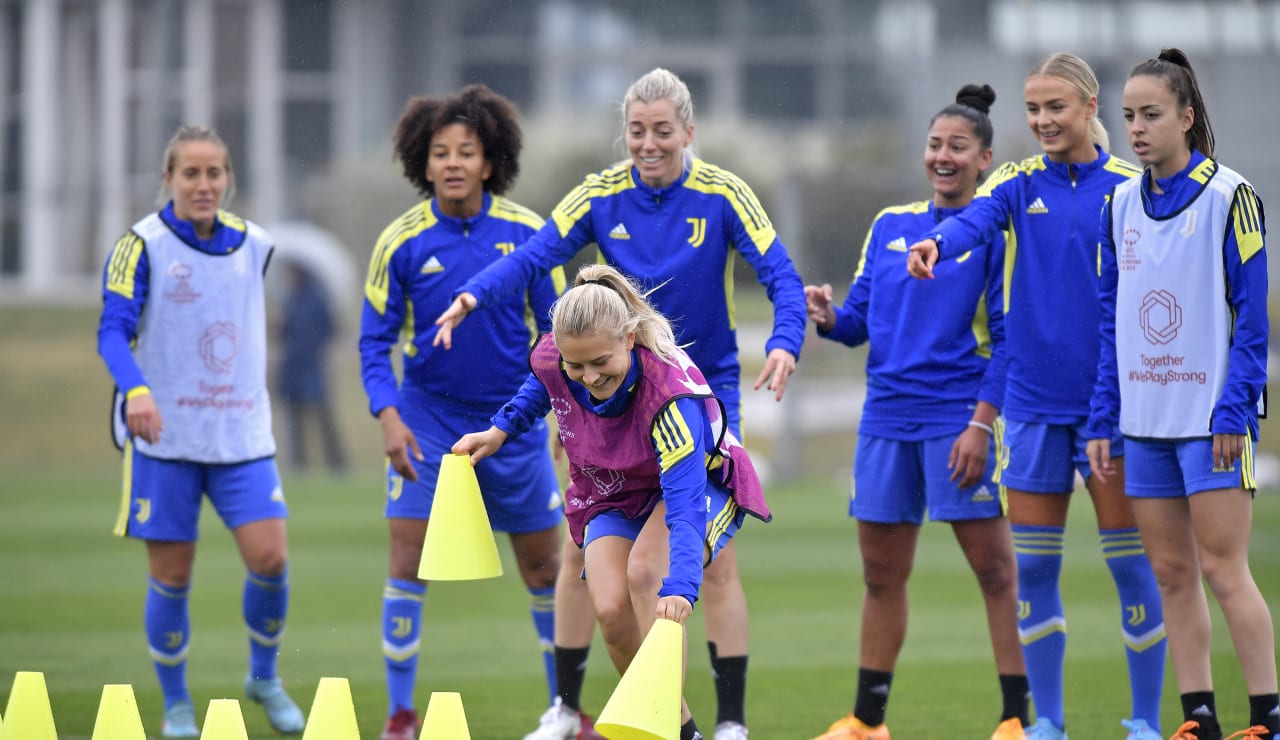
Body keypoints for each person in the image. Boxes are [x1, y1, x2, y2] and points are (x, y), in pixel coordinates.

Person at [435, 66, 807, 740]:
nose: (649, 143)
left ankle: (725, 722)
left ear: (688, 131)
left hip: (695, 392)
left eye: (663, 131)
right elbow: (533, 257)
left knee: (689, 561)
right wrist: (472, 294)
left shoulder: (723, 193)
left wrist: (785, 342)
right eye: (636, 131)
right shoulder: (599, 198)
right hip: (601, 376)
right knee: (591, 563)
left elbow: (781, 274)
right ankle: (573, 710)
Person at [905, 53, 1167, 740]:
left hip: (1113, 410)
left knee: (1133, 572)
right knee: (1037, 574)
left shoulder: (1130, 186)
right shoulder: (1019, 184)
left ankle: (1143, 721)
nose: (1043, 120)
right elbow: (971, 223)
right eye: (1034, 109)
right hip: (1030, 409)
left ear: (1088, 107)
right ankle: (1046, 723)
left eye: (1056, 107)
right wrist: (937, 243)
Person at [453, 264, 772, 740]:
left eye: (600, 362)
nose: (588, 377)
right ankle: (682, 731)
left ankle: (663, 726)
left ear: (628, 338)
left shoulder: (669, 398)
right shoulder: (556, 358)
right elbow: (543, 386)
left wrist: (682, 587)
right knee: (610, 613)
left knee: (647, 575)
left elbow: (684, 504)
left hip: (696, 483)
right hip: (614, 486)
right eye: (576, 365)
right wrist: (500, 430)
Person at [806, 84, 1027, 740]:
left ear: (985, 159)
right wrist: (827, 318)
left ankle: (1018, 719)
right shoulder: (889, 225)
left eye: (958, 147)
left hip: (957, 418)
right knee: (880, 575)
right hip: (884, 421)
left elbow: (1008, 342)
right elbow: (859, 324)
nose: (943, 156)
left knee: (995, 572)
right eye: (935, 145)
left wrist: (981, 424)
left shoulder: (993, 232)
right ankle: (867, 722)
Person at [357, 84, 570, 740]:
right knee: (407, 557)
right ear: (422, 164)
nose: (452, 162)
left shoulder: (531, 235)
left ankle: (565, 708)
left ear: (489, 161)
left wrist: (563, 410)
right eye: (440, 152)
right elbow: (373, 341)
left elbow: (559, 330)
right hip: (429, 421)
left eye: (466, 152)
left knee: (545, 567)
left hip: (516, 423)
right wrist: (389, 416)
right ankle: (400, 714)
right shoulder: (400, 243)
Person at [1086, 48, 1276, 740]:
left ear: (1187, 118)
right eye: (1128, 116)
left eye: (1150, 115)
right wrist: (1104, 415)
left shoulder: (1232, 196)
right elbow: (1110, 321)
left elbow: (1253, 320)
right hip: (1143, 423)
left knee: (1225, 571)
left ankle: (1268, 717)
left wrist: (1234, 407)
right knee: (1170, 573)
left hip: (1211, 421)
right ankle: (1198, 716)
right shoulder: (1118, 205)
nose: (1135, 128)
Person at [96, 125, 306, 738]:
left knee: (271, 558)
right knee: (173, 575)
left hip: (241, 436)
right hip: (165, 440)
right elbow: (112, 331)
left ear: (229, 178)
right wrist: (137, 390)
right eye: (191, 173)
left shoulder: (254, 244)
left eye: (215, 173)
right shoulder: (142, 245)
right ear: (169, 179)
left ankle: (264, 677)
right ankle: (177, 704)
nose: (204, 184)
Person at [276, 260, 347, 472]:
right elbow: (285, 333)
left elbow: (330, 328)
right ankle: (299, 463)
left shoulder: (317, 298)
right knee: (294, 417)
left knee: (323, 414)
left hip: (312, 362)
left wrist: (320, 348)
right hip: (292, 365)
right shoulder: (290, 299)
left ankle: (336, 463)